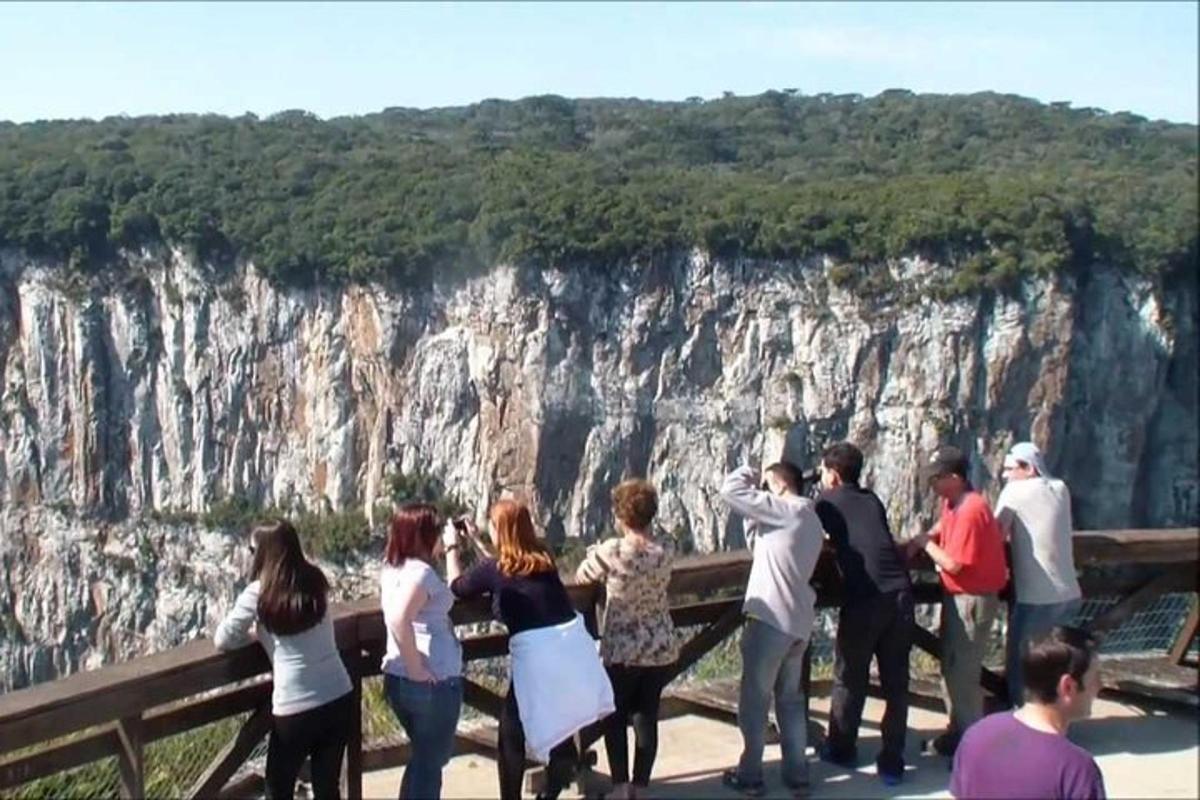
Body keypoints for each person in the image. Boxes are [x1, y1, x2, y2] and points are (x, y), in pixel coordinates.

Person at [450, 499, 614, 800]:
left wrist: (452, 548)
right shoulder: (543, 558)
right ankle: (552, 788)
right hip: (572, 649)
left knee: (511, 733)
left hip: (539, 658)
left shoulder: (495, 568)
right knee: (561, 727)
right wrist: (474, 539)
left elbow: (458, 586)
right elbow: (506, 568)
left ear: (502, 530)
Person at [214, 520, 353, 800]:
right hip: (338, 695)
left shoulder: (258, 592)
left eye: (252, 550)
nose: (250, 555)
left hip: (295, 706)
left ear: (263, 552)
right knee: (328, 788)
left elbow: (223, 638)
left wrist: (255, 636)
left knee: (278, 790)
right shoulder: (315, 580)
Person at [719, 461, 825, 797]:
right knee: (791, 701)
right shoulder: (810, 518)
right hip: (799, 622)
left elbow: (729, 490)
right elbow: (763, 548)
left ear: (778, 485)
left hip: (770, 622)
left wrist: (752, 471)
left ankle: (750, 775)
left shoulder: (785, 510)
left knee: (755, 700)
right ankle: (798, 775)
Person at [814, 442, 914, 786]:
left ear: (834, 475)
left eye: (824, 471)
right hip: (900, 593)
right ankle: (892, 760)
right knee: (896, 682)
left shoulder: (826, 502)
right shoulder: (872, 499)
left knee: (849, 676)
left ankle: (841, 747)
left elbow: (808, 535)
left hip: (865, 597)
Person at [575, 479, 680, 800]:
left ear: (621, 516)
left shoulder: (613, 550)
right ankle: (642, 786)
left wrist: (596, 552)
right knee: (647, 716)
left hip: (622, 648)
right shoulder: (668, 548)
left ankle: (620, 787)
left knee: (615, 717)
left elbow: (582, 576)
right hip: (661, 644)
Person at [908, 445, 1008, 757]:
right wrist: (927, 536)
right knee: (951, 671)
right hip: (958, 598)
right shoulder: (954, 504)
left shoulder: (971, 510)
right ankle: (957, 735)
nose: (932, 486)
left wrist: (924, 544)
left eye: (936, 479)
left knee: (963, 676)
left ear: (954, 477)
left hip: (971, 599)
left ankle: (974, 747)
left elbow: (954, 564)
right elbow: (943, 526)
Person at [951, 626, 1106, 799]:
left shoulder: (976, 735)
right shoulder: (1075, 769)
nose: (1100, 685)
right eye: (1095, 677)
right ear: (1067, 686)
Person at [380, 503, 466, 799]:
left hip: (399, 679)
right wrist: (417, 668)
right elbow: (398, 618)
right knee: (430, 764)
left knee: (423, 758)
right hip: (432, 682)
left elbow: (453, 589)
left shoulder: (392, 569)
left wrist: (452, 548)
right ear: (423, 535)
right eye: (437, 529)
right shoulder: (423, 575)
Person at [995, 441, 1083, 706]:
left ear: (1028, 468)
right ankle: (1059, 718)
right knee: (1059, 663)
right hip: (1070, 593)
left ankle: (1024, 720)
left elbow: (996, 534)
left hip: (1036, 596)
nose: (1005, 475)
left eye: (1010, 468)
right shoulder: (1060, 488)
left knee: (1024, 665)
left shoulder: (1014, 492)